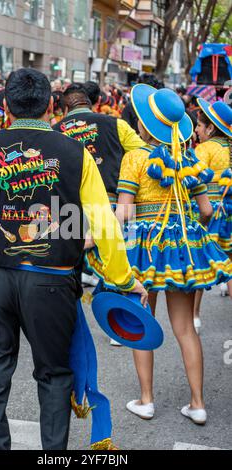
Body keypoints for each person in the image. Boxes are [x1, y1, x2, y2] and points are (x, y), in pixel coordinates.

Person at [0, 67, 148, 450]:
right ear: (52, 106)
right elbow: (103, 222)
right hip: (52, 282)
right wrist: (123, 279)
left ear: (6, 106)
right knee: (54, 375)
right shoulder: (75, 152)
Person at [86, 85, 232, 424]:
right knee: (185, 329)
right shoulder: (191, 157)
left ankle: (147, 400)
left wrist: (93, 237)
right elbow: (207, 211)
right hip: (183, 249)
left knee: (140, 320)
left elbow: (123, 213)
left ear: (145, 125)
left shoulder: (135, 158)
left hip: (143, 249)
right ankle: (198, 404)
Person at [54, 82, 144, 295]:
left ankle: (72, 318)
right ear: (92, 105)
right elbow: (143, 156)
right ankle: (120, 320)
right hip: (111, 207)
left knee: (68, 274)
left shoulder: (55, 132)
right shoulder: (115, 124)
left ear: (65, 110)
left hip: (69, 209)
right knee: (116, 268)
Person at [192, 99, 232, 329]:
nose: (196, 129)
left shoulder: (205, 149)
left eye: (199, 125)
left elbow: (195, 180)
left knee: (201, 262)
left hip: (211, 210)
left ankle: (195, 316)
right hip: (230, 210)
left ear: (210, 128)